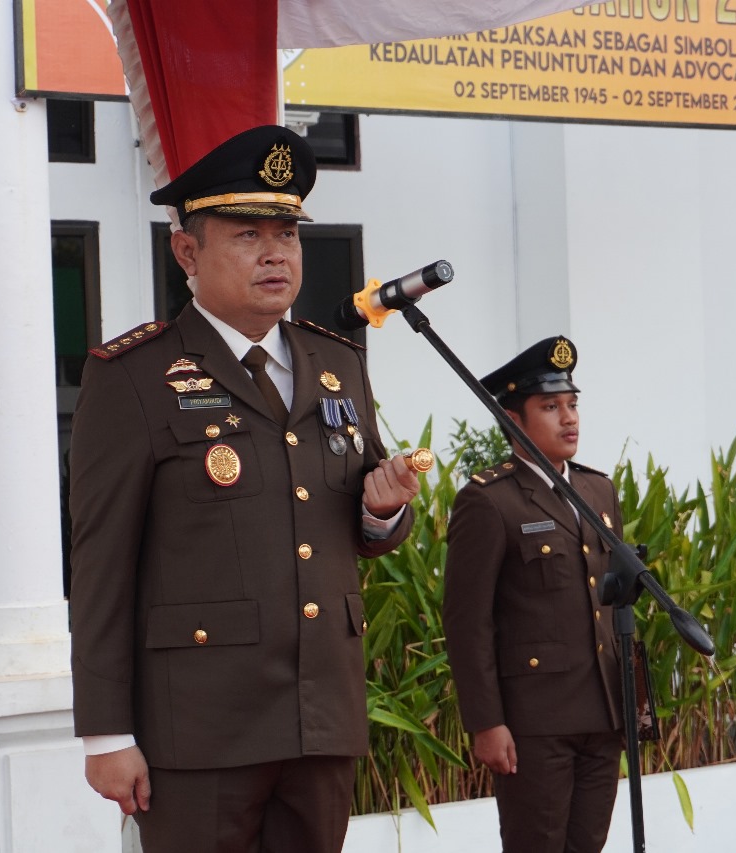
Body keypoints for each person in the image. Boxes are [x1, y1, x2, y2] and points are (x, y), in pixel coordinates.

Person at [67, 124, 420, 853]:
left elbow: (355, 520)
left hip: (320, 714)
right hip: (199, 727)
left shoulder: (337, 363)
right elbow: (101, 566)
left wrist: (383, 510)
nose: (275, 253)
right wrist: (106, 732)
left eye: (287, 235)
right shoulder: (135, 376)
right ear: (187, 251)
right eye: (248, 234)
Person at [442, 334, 624, 853]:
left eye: (572, 405)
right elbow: (467, 620)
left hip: (604, 710)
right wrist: (486, 722)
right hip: (533, 723)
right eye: (550, 407)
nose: (569, 419)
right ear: (514, 420)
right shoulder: (489, 501)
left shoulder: (598, 491)